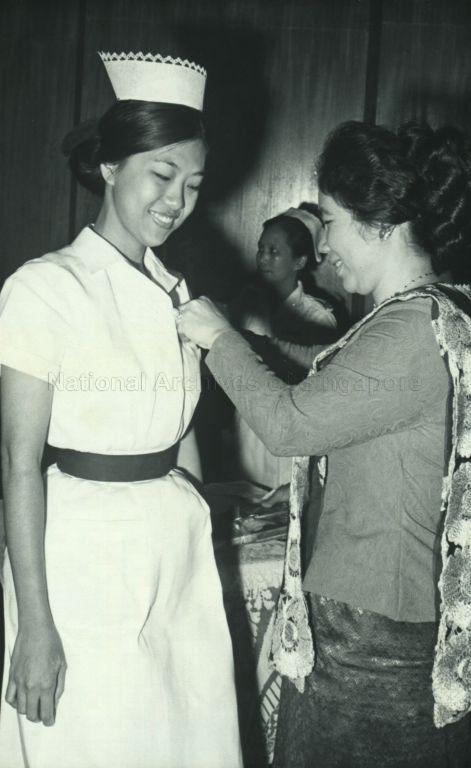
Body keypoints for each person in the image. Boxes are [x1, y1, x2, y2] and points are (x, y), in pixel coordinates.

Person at [176, 120, 471, 767]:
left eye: (332, 222)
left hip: (370, 639)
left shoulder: (406, 329)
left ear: (379, 227)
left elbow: (289, 424)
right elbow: (334, 374)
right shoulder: (437, 309)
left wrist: (218, 338)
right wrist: (254, 345)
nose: (325, 243)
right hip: (391, 618)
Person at [0, 51, 242, 768]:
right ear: (109, 168)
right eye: (160, 175)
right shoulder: (44, 289)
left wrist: (200, 514)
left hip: (173, 554)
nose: (177, 199)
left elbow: (179, 433)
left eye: (193, 183)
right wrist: (36, 625)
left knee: (178, 738)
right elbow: (17, 466)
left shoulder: (176, 290)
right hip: (80, 562)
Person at [229, 204, 337, 489]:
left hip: (292, 442)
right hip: (247, 438)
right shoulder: (246, 304)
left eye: (274, 252)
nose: (263, 258)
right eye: (261, 249)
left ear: (299, 261)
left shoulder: (318, 317)